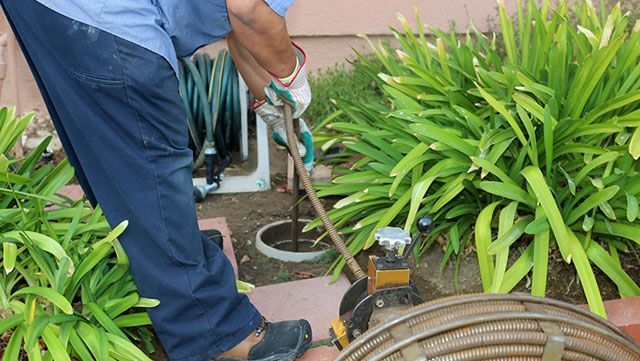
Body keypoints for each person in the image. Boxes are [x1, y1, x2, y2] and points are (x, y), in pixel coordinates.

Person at [0, 1, 314, 360]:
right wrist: (292, 73)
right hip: (105, 18)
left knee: (117, 154)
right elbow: (247, 10)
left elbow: (237, 25)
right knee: (151, 158)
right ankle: (215, 333)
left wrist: (271, 101)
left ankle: (166, 257)